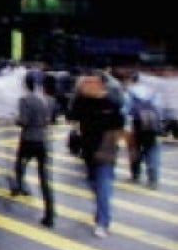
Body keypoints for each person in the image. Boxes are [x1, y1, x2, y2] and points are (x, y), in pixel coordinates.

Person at [69, 73, 124, 238]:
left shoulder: (112, 102)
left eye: (91, 82)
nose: (88, 85)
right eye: (85, 82)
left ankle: (103, 222)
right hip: (87, 151)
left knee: (103, 185)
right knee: (93, 183)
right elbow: (72, 116)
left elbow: (117, 128)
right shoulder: (82, 101)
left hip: (106, 152)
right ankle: (102, 211)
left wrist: (107, 149)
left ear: (101, 84)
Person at [14, 70, 55, 228]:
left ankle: (20, 186)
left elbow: (23, 121)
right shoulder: (49, 100)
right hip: (44, 140)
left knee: (19, 165)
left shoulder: (24, 100)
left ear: (26, 84)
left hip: (28, 139)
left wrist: (16, 120)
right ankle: (50, 214)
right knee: (44, 178)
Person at [125, 72, 164, 188]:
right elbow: (159, 109)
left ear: (132, 80)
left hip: (136, 124)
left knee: (134, 149)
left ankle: (135, 175)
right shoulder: (152, 92)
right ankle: (153, 179)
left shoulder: (130, 92)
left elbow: (125, 110)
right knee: (152, 149)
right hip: (152, 125)